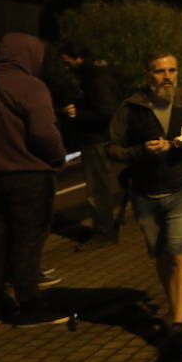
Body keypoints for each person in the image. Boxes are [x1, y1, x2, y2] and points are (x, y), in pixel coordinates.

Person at [107, 53, 182, 355]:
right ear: (147, 74)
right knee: (162, 257)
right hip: (146, 192)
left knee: (181, 255)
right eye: (159, 71)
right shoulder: (131, 108)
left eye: (172, 70)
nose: (167, 76)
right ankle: (174, 310)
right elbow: (113, 148)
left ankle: (179, 325)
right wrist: (140, 151)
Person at [0, 33, 68, 328]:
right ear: (28, 55)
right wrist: (58, 157)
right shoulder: (31, 87)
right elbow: (42, 133)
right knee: (28, 240)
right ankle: (30, 303)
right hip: (28, 176)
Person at [58, 43, 123, 250]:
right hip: (99, 138)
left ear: (77, 57)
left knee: (97, 189)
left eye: (67, 62)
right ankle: (107, 227)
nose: (66, 67)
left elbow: (106, 111)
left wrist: (78, 113)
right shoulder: (100, 71)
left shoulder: (95, 77)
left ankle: (103, 233)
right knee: (101, 186)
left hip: (96, 139)